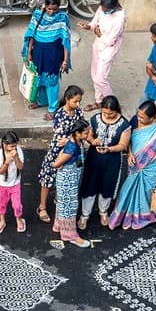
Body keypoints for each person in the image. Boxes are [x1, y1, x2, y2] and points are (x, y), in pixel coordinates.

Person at [106, 101, 156, 230]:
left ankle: (144, 217)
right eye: (138, 115)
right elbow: (128, 138)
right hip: (136, 163)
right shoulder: (134, 121)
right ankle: (122, 216)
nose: (138, 119)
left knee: (147, 192)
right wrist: (130, 153)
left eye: (142, 118)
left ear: (152, 118)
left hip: (154, 165)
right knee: (127, 189)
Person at [41, 87, 90, 246]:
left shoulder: (74, 143)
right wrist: (58, 163)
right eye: (75, 101)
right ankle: (69, 234)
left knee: (63, 201)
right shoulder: (71, 147)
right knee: (69, 204)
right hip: (67, 173)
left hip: (68, 173)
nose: (78, 104)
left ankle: (58, 224)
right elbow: (56, 163)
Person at [79, 96, 130, 230]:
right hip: (94, 158)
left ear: (116, 110)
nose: (107, 115)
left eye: (110, 113)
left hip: (112, 160)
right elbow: (89, 136)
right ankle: (85, 215)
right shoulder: (95, 119)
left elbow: (123, 145)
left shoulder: (124, 125)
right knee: (89, 185)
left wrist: (109, 149)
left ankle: (103, 211)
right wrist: (93, 141)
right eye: (105, 112)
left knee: (107, 185)